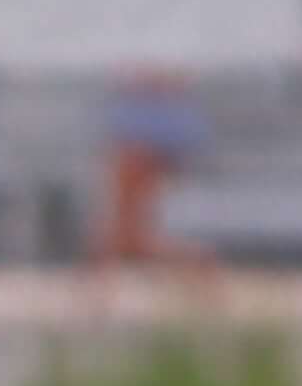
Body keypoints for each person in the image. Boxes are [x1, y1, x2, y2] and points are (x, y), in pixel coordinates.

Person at [90, 68, 218, 305]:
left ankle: (97, 297)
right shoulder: (146, 113)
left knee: (124, 238)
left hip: (142, 156)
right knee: (120, 238)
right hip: (141, 156)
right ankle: (97, 297)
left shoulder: (155, 118)